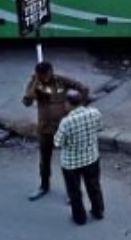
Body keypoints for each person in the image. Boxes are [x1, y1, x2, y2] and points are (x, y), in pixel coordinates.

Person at [22, 61, 89, 201]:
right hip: (45, 128)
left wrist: (78, 106)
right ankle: (44, 186)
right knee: (44, 161)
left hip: (63, 127)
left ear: (51, 72)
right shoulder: (36, 83)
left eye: (46, 74)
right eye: (41, 75)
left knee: (69, 162)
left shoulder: (60, 80)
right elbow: (27, 102)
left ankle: (73, 191)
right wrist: (34, 82)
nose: (44, 78)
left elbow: (83, 88)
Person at [54, 89, 105, 226]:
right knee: (94, 186)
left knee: (74, 191)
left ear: (68, 103)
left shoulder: (66, 122)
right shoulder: (95, 113)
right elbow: (100, 128)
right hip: (92, 158)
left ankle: (79, 218)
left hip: (71, 163)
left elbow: (57, 143)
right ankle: (98, 211)